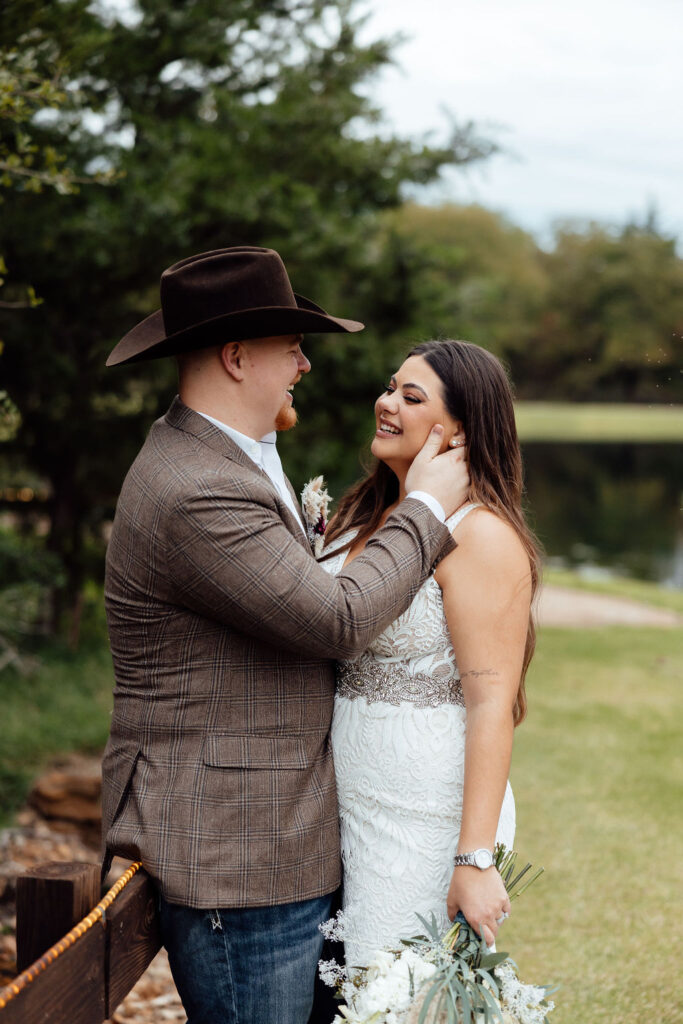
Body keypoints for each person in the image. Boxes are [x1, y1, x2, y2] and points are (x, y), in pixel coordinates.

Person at [100, 247, 471, 1024]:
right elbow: (334, 619)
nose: (304, 363)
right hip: (238, 854)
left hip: (277, 837)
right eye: (291, 346)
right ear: (237, 357)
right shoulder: (194, 487)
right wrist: (428, 508)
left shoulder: (239, 457)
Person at [320, 338, 541, 966]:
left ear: (461, 431)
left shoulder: (481, 535)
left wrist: (473, 858)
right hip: (343, 806)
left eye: (410, 397)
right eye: (390, 387)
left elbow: (492, 701)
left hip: (423, 814)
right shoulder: (366, 514)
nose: (385, 403)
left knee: (388, 993)